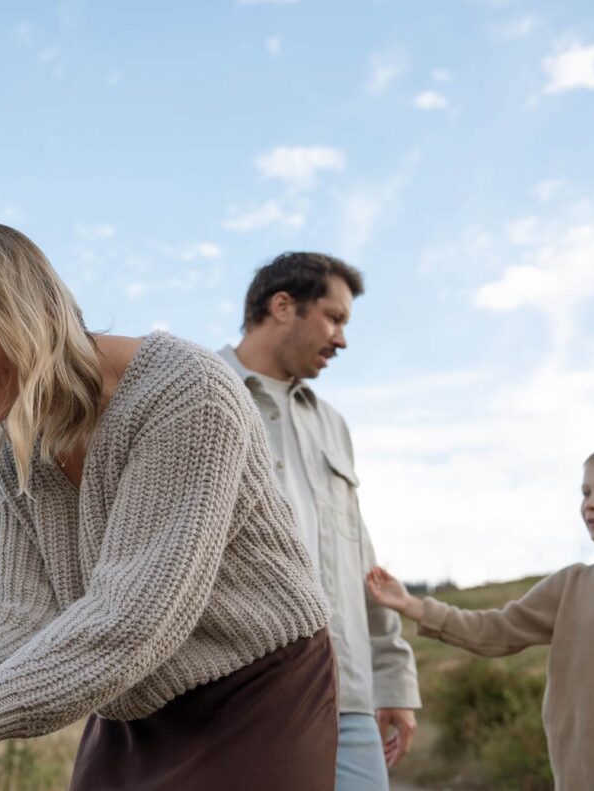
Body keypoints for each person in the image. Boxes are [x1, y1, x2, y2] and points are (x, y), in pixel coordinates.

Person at [0, 221, 336, 791]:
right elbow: (13, 611)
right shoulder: (21, 444)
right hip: (127, 700)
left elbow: (137, 613)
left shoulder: (186, 393)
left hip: (253, 692)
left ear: (31, 312)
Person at [219, 252, 421, 791]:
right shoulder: (200, 393)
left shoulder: (333, 423)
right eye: (333, 318)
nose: (342, 339)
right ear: (282, 306)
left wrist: (392, 680)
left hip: (345, 693)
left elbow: (358, 554)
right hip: (231, 690)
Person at [367, 443, 594, 791]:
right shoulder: (570, 585)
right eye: (585, 492)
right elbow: (495, 630)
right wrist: (414, 606)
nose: (591, 503)